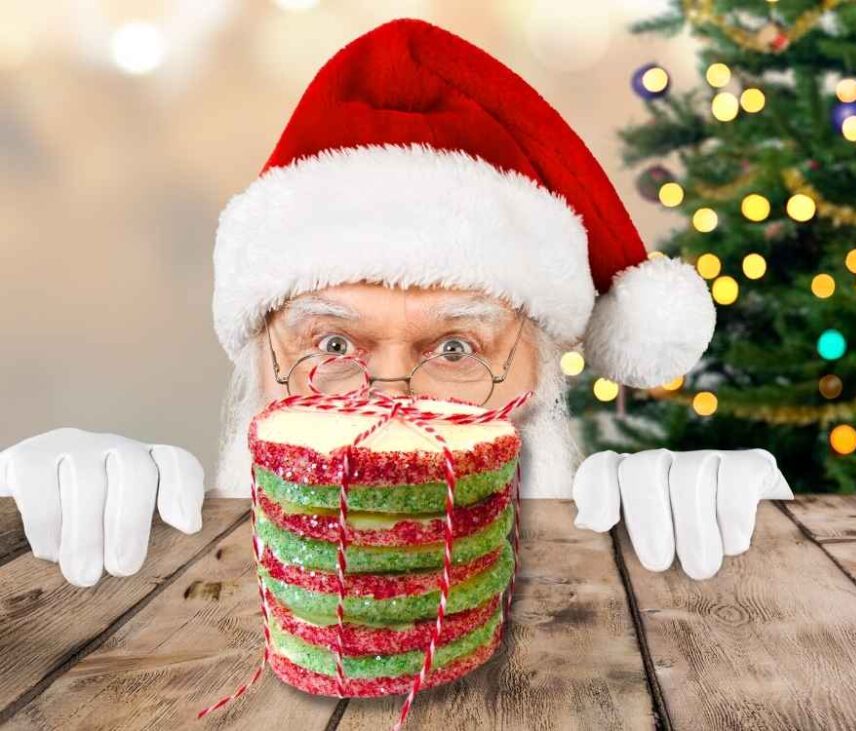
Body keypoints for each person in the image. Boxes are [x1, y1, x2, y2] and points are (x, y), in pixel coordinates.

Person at [0, 18, 791, 589]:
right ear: (253, 376)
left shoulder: (622, 563)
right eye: (333, 344)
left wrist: (761, 558)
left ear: (543, 379)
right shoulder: (147, 566)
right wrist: (28, 534)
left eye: (455, 348)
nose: (390, 402)